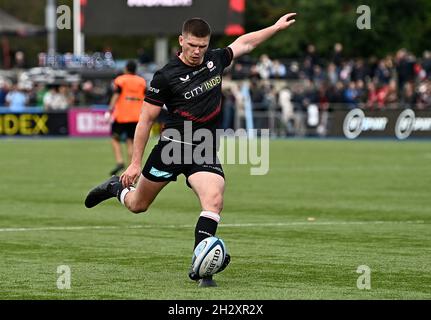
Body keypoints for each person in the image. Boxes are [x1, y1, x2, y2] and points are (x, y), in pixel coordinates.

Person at [85, 14, 297, 287]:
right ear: (181, 41)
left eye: (203, 46)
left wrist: (275, 28)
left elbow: (245, 43)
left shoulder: (214, 60)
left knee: (214, 199)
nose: (197, 51)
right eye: (193, 45)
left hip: (204, 149)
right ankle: (116, 188)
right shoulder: (165, 77)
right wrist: (134, 164)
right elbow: (146, 120)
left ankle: (202, 270)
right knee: (139, 205)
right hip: (172, 148)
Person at [106, 60, 147, 176]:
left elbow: (116, 94)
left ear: (126, 69)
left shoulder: (120, 80)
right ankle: (131, 168)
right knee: (130, 141)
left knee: (115, 138)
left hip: (122, 115)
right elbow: (145, 97)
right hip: (136, 115)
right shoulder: (141, 81)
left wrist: (110, 109)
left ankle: (119, 161)